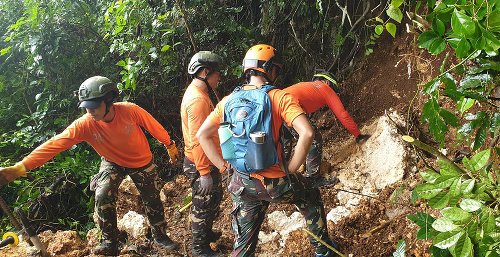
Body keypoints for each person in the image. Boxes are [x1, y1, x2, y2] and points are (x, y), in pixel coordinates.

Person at [0, 76, 181, 256]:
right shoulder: (85, 124)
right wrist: (22, 167)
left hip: (141, 160)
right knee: (102, 193)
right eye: (86, 106)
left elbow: (153, 126)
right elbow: (55, 144)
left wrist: (169, 144)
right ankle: (110, 243)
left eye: (93, 106)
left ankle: (160, 235)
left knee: (153, 198)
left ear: (108, 100)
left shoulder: (130, 111)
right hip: (112, 161)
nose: (89, 111)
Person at [196, 44, 336, 257]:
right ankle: (323, 251)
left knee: (243, 245)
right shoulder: (279, 97)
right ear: (270, 70)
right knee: (310, 195)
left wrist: (224, 166)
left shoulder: (228, 101)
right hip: (275, 183)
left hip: (242, 183)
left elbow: (202, 135)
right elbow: (307, 133)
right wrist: (291, 167)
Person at [283, 72, 370, 182]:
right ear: (328, 82)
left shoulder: (306, 86)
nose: (334, 93)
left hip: (275, 106)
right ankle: (314, 179)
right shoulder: (326, 89)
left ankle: (281, 175)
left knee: (284, 140)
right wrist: (357, 135)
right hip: (289, 108)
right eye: (334, 90)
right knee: (314, 138)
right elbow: (343, 115)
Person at [181, 51, 225, 257]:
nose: (218, 78)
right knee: (202, 206)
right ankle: (199, 248)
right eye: (216, 74)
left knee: (213, 200)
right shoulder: (197, 100)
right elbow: (198, 139)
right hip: (201, 162)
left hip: (207, 159)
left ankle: (206, 234)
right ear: (205, 72)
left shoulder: (200, 94)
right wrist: (204, 172)